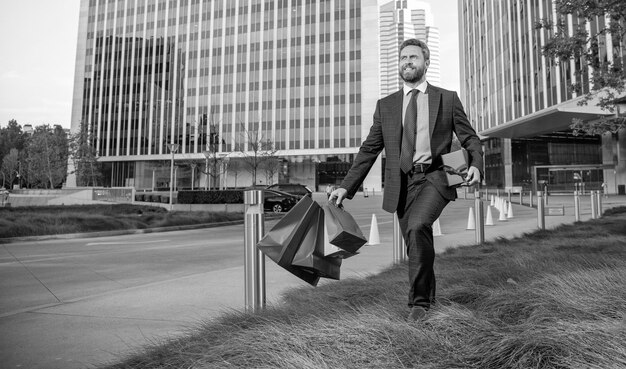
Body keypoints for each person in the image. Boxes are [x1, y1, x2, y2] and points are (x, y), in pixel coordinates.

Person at [329, 39, 483, 321]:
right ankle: (429, 298)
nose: (407, 61)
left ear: (426, 62)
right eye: (403, 57)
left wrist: (475, 165)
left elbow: (469, 137)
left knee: (419, 225)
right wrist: (345, 186)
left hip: (436, 177)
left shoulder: (446, 98)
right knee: (416, 241)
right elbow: (369, 149)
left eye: (413, 56)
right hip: (402, 184)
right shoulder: (386, 105)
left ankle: (419, 305)